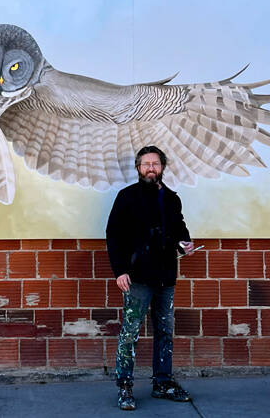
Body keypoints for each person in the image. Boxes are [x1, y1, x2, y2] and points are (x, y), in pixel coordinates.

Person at [105, 145, 197, 411]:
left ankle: (163, 383)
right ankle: (124, 387)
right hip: (136, 277)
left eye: (155, 163)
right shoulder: (127, 197)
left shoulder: (171, 198)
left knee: (165, 331)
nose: (151, 168)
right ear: (138, 168)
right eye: (146, 164)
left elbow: (179, 229)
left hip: (165, 277)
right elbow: (114, 235)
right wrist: (119, 270)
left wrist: (185, 245)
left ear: (162, 167)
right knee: (130, 333)